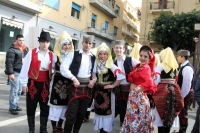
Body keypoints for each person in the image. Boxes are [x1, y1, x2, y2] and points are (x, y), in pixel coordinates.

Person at [19, 31, 57, 133]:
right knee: (31, 106)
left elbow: (54, 69)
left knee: (45, 107)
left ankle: (43, 129)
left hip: (46, 84)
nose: (45, 44)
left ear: (49, 43)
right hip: (32, 83)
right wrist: (23, 83)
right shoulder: (32, 52)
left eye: (47, 42)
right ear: (39, 42)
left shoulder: (53, 55)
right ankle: (31, 129)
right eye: (43, 41)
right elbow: (25, 68)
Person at [60, 34, 96, 133]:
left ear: (92, 45)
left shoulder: (93, 57)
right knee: (71, 114)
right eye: (86, 43)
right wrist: (73, 78)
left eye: (89, 43)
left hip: (87, 88)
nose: (87, 45)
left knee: (81, 114)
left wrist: (94, 80)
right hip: (75, 87)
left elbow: (95, 73)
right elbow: (63, 67)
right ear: (82, 43)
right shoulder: (74, 54)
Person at [120, 45, 157, 133]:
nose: (142, 58)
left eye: (145, 56)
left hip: (139, 98)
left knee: (136, 121)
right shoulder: (138, 66)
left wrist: (139, 89)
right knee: (133, 119)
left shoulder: (146, 68)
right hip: (133, 97)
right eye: (141, 55)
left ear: (149, 58)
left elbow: (149, 82)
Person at [92, 43, 125, 133]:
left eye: (104, 54)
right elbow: (93, 75)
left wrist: (113, 85)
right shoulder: (97, 64)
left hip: (108, 94)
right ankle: (101, 130)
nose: (102, 56)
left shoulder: (111, 65)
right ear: (98, 54)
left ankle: (105, 131)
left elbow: (121, 76)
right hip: (98, 93)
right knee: (99, 112)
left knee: (107, 112)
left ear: (108, 55)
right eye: (100, 54)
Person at [152, 47, 184, 133]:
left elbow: (157, 80)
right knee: (170, 113)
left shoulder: (161, 65)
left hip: (163, 92)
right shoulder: (175, 66)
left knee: (160, 112)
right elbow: (175, 80)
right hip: (173, 91)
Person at [48, 31, 74, 133]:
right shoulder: (56, 55)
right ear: (60, 45)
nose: (67, 47)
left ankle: (60, 125)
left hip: (68, 82)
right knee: (55, 105)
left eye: (68, 44)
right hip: (57, 81)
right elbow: (51, 68)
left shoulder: (72, 55)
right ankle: (54, 127)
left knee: (65, 105)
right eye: (64, 45)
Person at [113, 40, 138, 126]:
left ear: (124, 49)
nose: (118, 50)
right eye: (117, 48)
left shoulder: (130, 59)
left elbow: (140, 68)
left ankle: (130, 128)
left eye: (120, 48)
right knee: (122, 110)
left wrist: (135, 82)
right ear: (114, 49)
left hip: (130, 90)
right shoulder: (114, 61)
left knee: (131, 110)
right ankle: (122, 127)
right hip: (120, 90)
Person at [5, 34, 29, 115]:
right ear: (16, 41)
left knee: (19, 90)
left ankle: (15, 104)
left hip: (22, 72)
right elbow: (9, 63)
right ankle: (12, 107)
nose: (21, 42)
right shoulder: (12, 50)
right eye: (20, 40)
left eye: (23, 40)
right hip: (15, 72)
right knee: (14, 90)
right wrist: (10, 73)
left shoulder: (25, 49)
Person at [173, 50, 194, 133]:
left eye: (178, 56)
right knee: (182, 113)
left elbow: (186, 85)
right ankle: (181, 130)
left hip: (186, 94)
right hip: (184, 94)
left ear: (183, 57)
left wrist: (181, 96)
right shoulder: (183, 66)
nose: (177, 58)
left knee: (183, 114)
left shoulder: (187, 68)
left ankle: (182, 131)